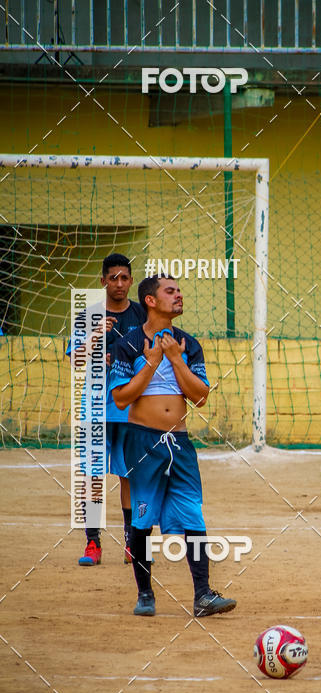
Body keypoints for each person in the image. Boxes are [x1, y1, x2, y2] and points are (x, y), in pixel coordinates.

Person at [109, 274, 237, 618]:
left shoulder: (188, 344)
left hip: (178, 444)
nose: (179, 295)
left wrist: (175, 359)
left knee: (192, 513)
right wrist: (152, 362)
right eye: (171, 291)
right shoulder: (129, 344)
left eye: (179, 291)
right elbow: (121, 398)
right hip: (142, 442)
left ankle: (203, 595)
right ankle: (145, 595)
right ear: (151, 300)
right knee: (142, 518)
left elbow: (200, 396)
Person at [66, 253, 145, 566]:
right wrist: (98, 335)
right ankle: (92, 543)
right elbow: (76, 360)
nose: (120, 284)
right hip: (96, 407)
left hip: (131, 409)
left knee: (131, 476)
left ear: (131, 280)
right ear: (103, 281)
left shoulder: (141, 314)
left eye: (125, 278)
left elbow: (151, 357)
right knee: (92, 477)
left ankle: (131, 543)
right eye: (113, 278)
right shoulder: (88, 315)